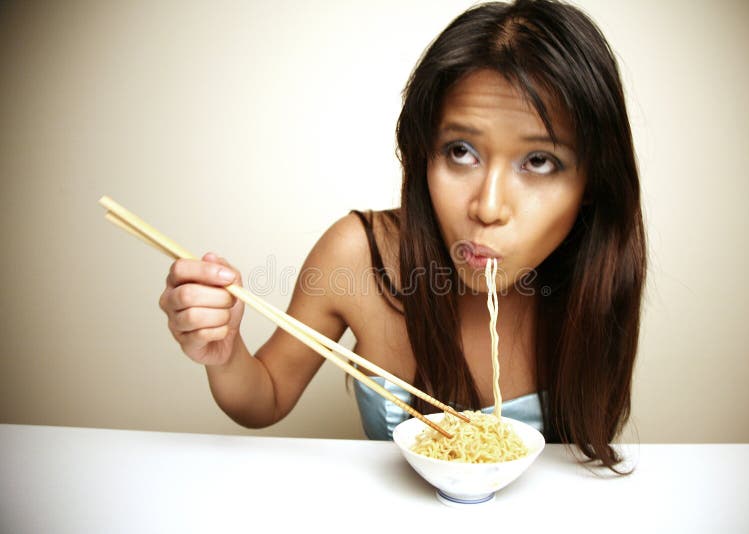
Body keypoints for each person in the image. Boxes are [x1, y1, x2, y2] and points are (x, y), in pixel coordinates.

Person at [158, 0, 646, 472]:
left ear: (592, 183)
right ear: (423, 154)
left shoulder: (594, 271)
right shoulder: (358, 255)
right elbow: (263, 398)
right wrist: (223, 352)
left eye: (538, 161)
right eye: (461, 151)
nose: (488, 207)